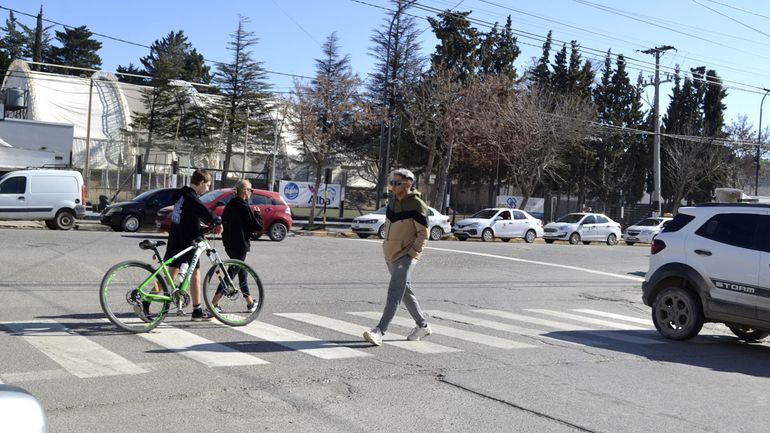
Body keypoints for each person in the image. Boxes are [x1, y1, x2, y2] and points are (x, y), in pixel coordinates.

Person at [364, 168, 432, 346]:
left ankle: (379, 331)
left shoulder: (417, 205)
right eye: (391, 182)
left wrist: (412, 254)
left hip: (406, 256)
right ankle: (422, 325)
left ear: (408, 184)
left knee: (394, 292)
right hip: (390, 254)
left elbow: (424, 234)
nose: (393, 186)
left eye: (397, 183)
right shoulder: (392, 204)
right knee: (405, 292)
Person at [163, 169, 217, 321]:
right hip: (187, 240)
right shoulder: (191, 197)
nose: (208, 189)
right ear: (200, 183)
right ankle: (197, 309)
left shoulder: (182, 194)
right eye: (208, 185)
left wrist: (199, 225)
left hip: (176, 237)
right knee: (195, 273)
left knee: (170, 274)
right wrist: (216, 221)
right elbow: (205, 212)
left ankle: (147, 302)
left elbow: (186, 215)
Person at [214, 179, 263, 312]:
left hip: (229, 244)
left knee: (242, 272)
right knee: (231, 274)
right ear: (245, 191)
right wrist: (258, 214)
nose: (252, 192)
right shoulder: (244, 207)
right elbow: (257, 227)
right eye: (251, 190)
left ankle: (250, 302)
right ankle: (214, 303)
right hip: (240, 245)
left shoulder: (229, 205)